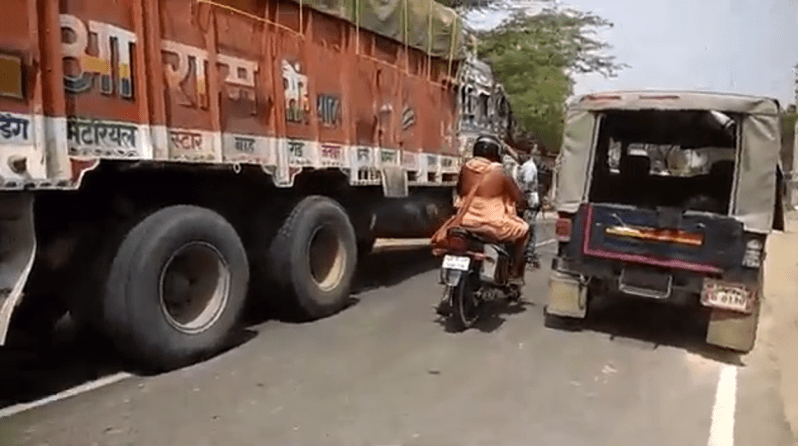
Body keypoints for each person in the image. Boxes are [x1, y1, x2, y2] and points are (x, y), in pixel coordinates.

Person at [432, 134, 530, 281]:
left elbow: (460, 191)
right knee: (525, 230)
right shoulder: (500, 172)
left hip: (465, 220)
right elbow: (518, 197)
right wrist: (524, 203)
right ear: (496, 152)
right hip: (494, 224)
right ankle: (515, 273)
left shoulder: (466, 169)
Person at [517, 154, 541, 269]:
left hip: (529, 203)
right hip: (530, 202)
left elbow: (526, 185)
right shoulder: (526, 166)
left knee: (528, 228)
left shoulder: (528, 167)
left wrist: (519, 198)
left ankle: (527, 254)